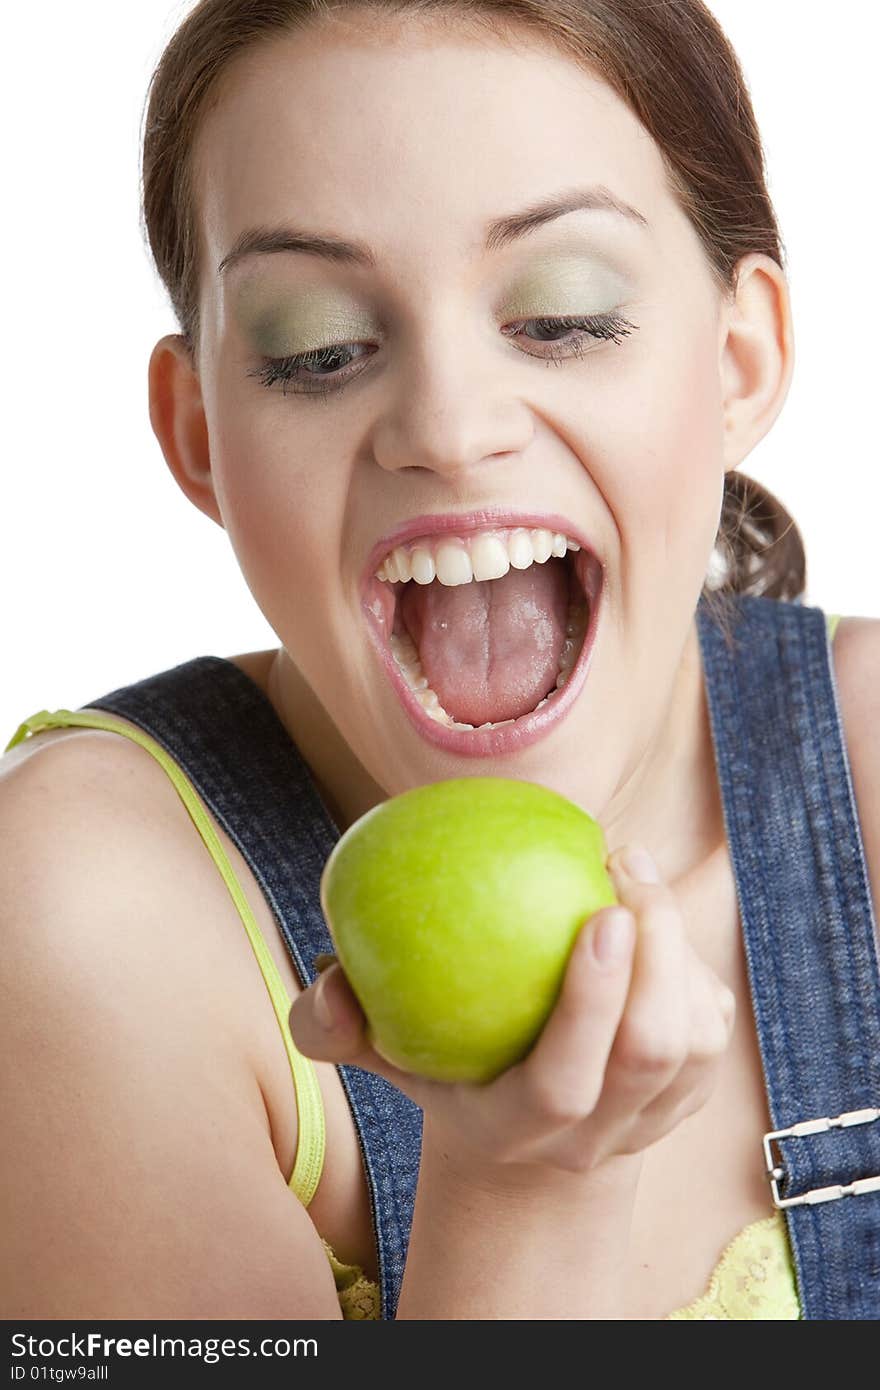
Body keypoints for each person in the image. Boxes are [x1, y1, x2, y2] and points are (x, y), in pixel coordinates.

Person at [2, 0, 878, 1322]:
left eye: (566, 315)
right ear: (196, 436)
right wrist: (526, 1193)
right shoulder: (82, 919)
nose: (449, 428)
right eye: (318, 347)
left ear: (741, 358)